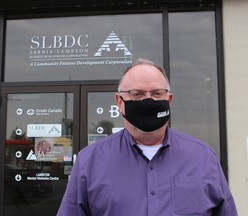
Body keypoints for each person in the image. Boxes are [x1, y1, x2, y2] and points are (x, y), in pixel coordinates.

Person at [57, 58, 238, 216]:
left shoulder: (203, 158)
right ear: (120, 102)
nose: (149, 101)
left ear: (170, 100)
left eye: (157, 93)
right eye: (137, 94)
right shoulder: (89, 162)